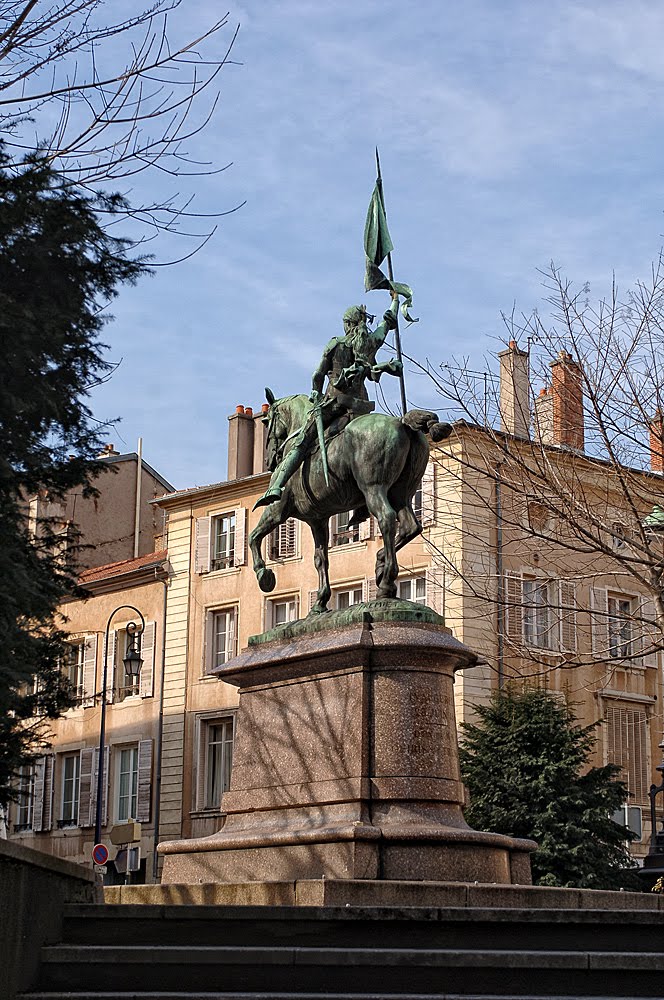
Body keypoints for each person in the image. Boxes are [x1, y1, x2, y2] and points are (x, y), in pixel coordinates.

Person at [254, 295, 402, 508]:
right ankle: (362, 504)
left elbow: (318, 374)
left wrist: (315, 393)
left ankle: (276, 486)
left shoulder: (336, 344)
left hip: (336, 404)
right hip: (361, 407)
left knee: (301, 442)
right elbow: (386, 323)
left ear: (348, 324)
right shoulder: (369, 342)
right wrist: (395, 300)